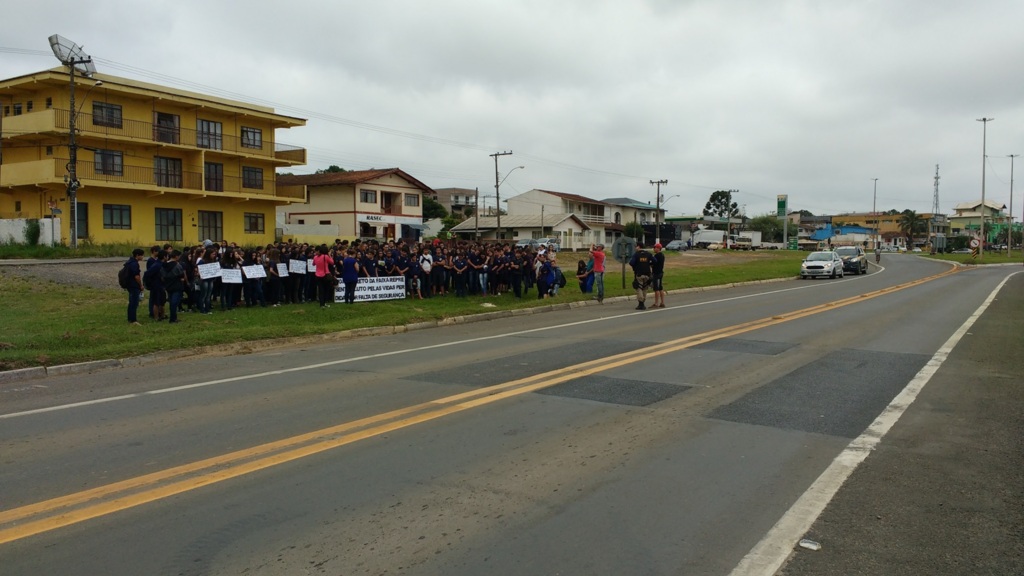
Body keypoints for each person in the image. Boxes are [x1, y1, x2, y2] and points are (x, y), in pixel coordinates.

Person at [161, 250, 186, 323]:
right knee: (175, 303)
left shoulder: (164, 265)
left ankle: (173, 318)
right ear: (176, 256)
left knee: (171, 301)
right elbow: (182, 276)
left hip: (168, 285)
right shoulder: (177, 265)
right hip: (177, 285)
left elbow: (162, 275)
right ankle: (173, 318)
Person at [629, 242, 653, 310]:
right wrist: (648, 263)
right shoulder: (648, 254)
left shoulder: (636, 255)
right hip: (647, 274)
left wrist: (636, 266)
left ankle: (641, 303)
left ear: (638, 247)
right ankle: (643, 302)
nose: (635, 248)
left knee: (639, 288)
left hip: (639, 274)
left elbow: (631, 263)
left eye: (636, 246)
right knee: (645, 288)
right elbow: (655, 261)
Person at [125, 248, 145, 325]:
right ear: (137, 255)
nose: (143, 257)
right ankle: (133, 320)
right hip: (134, 285)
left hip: (129, 284)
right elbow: (136, 276)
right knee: (134, 303)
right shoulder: (134, 264)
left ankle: (130, 318)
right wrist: (141, 285)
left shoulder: (129, 262)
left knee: (131, 302)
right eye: (142, 255)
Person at [651, 242, 666, 308]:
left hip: (656, 273)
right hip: (660, 272)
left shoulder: (657, 256)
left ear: (658, 248)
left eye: (655, 248)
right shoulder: (662, 255)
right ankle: (662, 302)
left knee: (656, 288)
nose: (654, 249)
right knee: (660, 287)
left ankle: (656, 303)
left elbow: (653, 263)